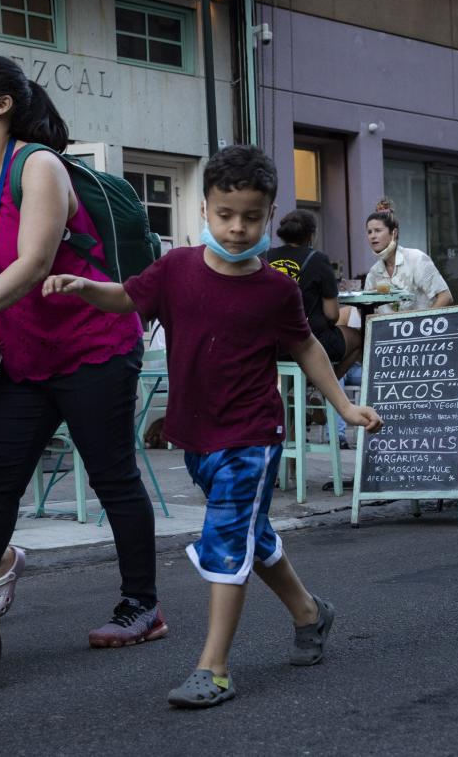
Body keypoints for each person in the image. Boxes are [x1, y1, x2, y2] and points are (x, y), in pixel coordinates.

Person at [44, 144, 383, 707]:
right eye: (225, 215)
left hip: (252, 435)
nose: (237, 228)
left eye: (252, 217)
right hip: (196, 435)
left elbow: (306, 347)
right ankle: (308, 612)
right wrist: (85, 287)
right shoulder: (176, 270)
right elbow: (128, 296)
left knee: (225, 541)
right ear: (204, 209)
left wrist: (345, 407)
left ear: (270, 216)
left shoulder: (276, 287)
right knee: (250, 533)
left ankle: (214, 667)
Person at [0, 52, 162, 646]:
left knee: (112, 477)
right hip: (27, 357)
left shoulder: (37, 166)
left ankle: (141, 605)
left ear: (1, 105)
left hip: (92, 347)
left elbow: (35, 261)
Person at [266, 210, 362, 372]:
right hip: (309, 343)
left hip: (273, 345)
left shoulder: (266, 257)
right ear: (311, 235)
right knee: (358, 338)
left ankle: (298, 391)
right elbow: (332, 315)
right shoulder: (318, 259)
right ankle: (316, 389)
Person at [364, 200, 452, 314]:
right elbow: (367, 315)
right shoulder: (373, 274)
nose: (372, 236)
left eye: (378, 231)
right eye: (369, 232)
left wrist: (423, 323)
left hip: (424, 328)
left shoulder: (416, 259)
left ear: (394, 233)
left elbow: (445, 297)